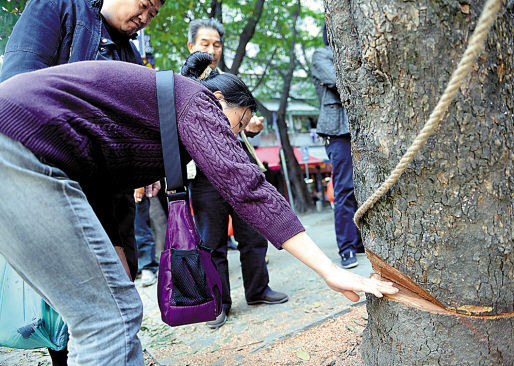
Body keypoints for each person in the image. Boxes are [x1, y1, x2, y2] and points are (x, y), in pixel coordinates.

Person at [0, 60, 398, 365]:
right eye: (238, 123)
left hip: (27, 150)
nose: (233, 136)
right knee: (111, 318)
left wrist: (116, 254)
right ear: (221, 100)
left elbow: (101, 189)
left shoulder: (154, 113)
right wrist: (329, 270)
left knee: (101, 314)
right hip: (19, 147)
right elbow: (245, 185)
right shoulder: (196, 100)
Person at [1, 0, 163, 362]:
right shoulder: (57, 7)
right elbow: (14, 92)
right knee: (89, 316)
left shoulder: (130, 54)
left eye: (153, 15)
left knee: (116, 304)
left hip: (108, 201)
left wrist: (149, 167)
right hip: (47, 184)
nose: (145, 17)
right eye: (144, 5)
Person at [185, 20, 287, 329]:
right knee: (212, 241)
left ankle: (258, 290)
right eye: (205, 44)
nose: (211, 50)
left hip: (239, 168)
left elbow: (241, 118)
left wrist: (251, 127)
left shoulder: (229, 80)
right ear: (191, 46)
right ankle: (220, 303)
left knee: (253, 234)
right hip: (203, 176)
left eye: (216, 44)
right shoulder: (182, 82)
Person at [312, 25, 364, 269]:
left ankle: (362, 241)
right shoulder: (321, 55)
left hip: (361, 129)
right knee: (344, 188)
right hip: (337, 131)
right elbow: (336, 80)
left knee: (363, 187)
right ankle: (347, 248)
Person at [133, 190, 159, 287]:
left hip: (132, 183)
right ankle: (136, 269)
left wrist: (139, 187)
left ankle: (147, 266)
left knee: (140, 228)